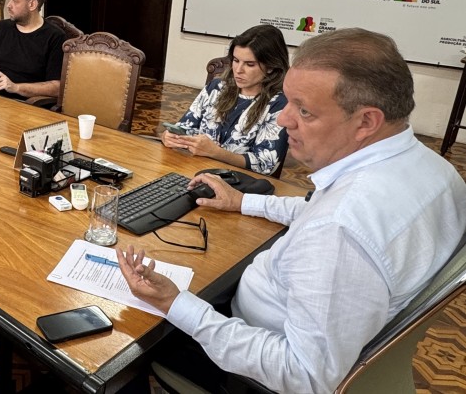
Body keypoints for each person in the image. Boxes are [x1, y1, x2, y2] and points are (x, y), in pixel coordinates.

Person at [118, 28, 466, 393]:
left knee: (126, 346)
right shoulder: (436, 170)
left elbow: (304, 374)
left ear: (366, 121)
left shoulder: (340, 231)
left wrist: (176, 304)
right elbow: (322, 211)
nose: (283, 120)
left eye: (304, 110)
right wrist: (243, 201)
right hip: (330, 335)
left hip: (255, 367)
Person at [163, 24, 289, 175]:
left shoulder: (280, 104)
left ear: (270, 67)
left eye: (249, 64)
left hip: (238, 182)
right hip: (194, 170)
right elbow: (185, 127)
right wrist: (171, 137)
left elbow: (265, 165)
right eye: (236, 60)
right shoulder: (216, 87)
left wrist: (216, 153)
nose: (238, 70)